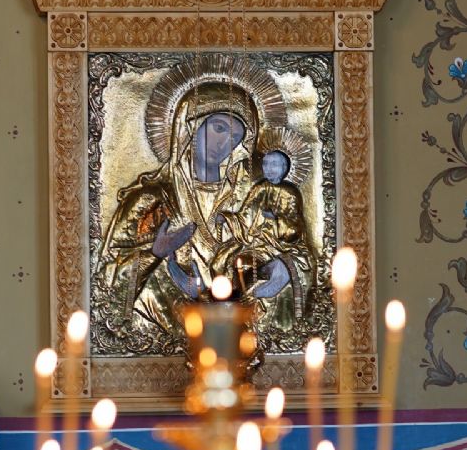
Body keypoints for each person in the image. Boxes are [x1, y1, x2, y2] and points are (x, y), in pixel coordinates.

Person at [98, 82, 258, 346]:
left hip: (228, 336)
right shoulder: (151, 199)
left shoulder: (242, 204)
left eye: (235, 137)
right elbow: (106, 282)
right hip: (161, 327)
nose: (224, 143)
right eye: (219, 128)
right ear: (191, 126)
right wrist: (155, 255)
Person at [212, 144, 314, 332]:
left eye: (274, 164)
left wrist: (275, 220)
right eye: (266, 164)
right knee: (224, 261)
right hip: (256, 243)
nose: (269, 168)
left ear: (284, 168)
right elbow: (245, 216)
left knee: (249, 267)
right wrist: (227, 219)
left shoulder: (290, 193)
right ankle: (229, 311)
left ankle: (252, 313)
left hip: (280, 246)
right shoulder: (259, 188)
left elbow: (295, 229)